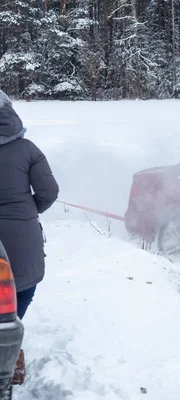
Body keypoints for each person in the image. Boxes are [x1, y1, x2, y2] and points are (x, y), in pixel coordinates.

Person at [0, 90, 59, 384]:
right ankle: (10, 351)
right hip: (23, 246)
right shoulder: (29, 150)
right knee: (19, 294)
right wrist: (27, 210)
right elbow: (49, 193)